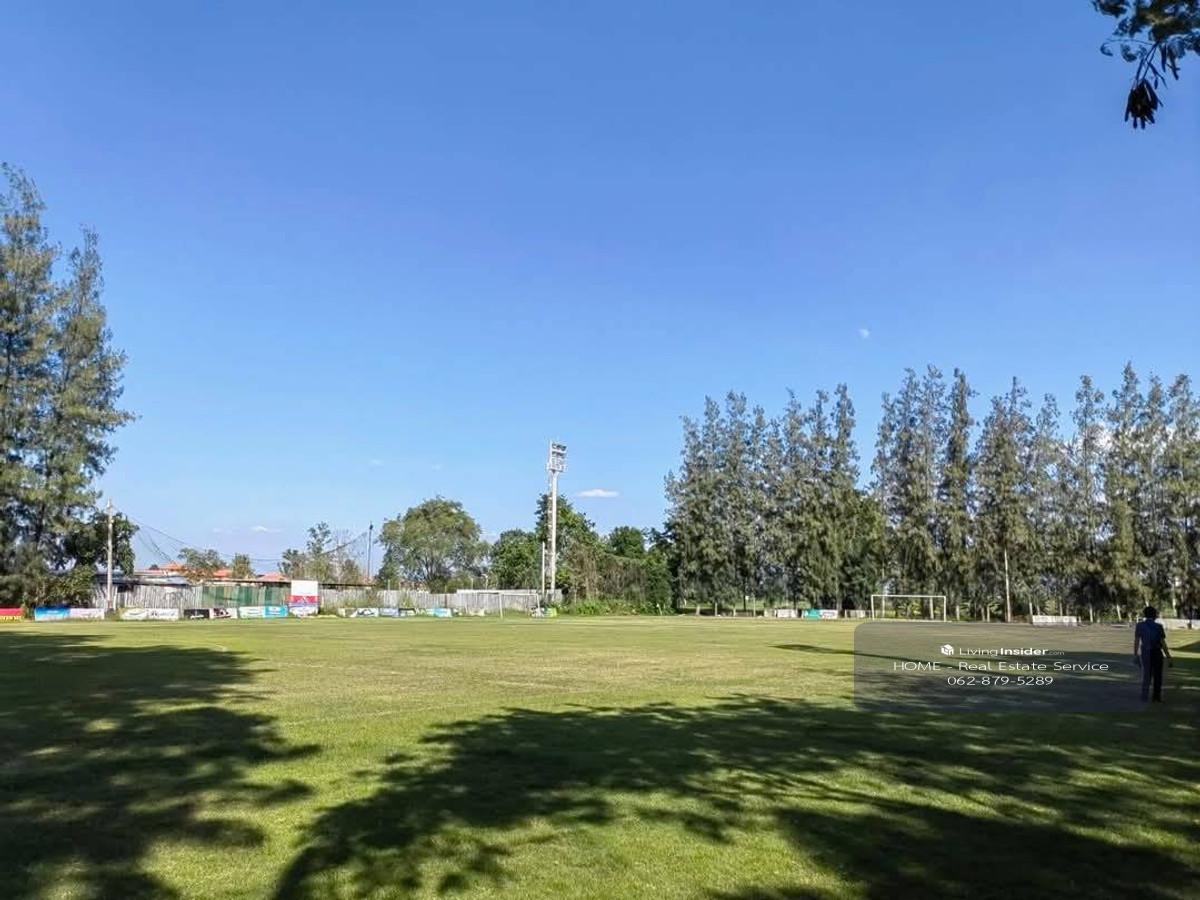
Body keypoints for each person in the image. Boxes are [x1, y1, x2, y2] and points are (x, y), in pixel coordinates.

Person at [1133, 606, 1173, 702]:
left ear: (1145, 615)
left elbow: (1137, 640)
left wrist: (1135, 654)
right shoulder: (1158, 627)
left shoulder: (1140, 626)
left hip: (1146, 652)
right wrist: (1168, 655)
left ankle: (1144, 696)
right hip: (1156, 652)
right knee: (1157, 675)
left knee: (1147, 674)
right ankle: (1156, 697)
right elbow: (1163, 643)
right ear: (1155, 615)